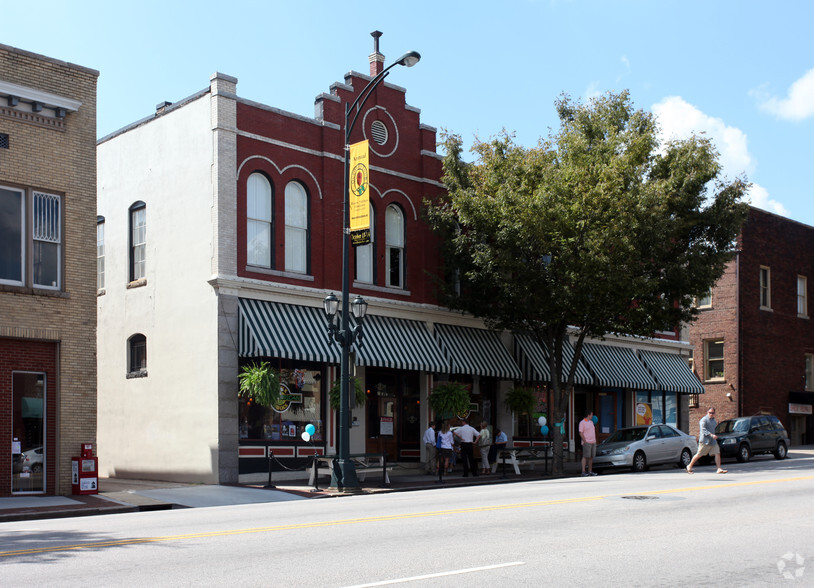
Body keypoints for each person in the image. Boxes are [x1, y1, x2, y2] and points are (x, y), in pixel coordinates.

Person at [687, 407, 727, 474]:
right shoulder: (704, 420)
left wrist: (715, 435)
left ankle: (719, 468)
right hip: (705, 441)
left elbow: (713, 430)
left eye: (712, 413)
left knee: (717, 453)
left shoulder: (714, 421)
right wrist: (711, 435)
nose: (711, 414)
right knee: (699, 454)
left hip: (713, 441)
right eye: (710, 413)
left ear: (714, 413)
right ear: (707, 412)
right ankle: (689, 466)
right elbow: (703, 430)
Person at [579, 410, 598, 477]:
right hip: (587, 442)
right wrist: (585, 441)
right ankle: (583, 471)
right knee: (585, 456)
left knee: (591, 457)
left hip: (593, 441)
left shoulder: (591, 422)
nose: (592, 416)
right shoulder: (582, 422)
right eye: (591, 414)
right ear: (588, 415)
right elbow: (581, 432)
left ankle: (590, 471)